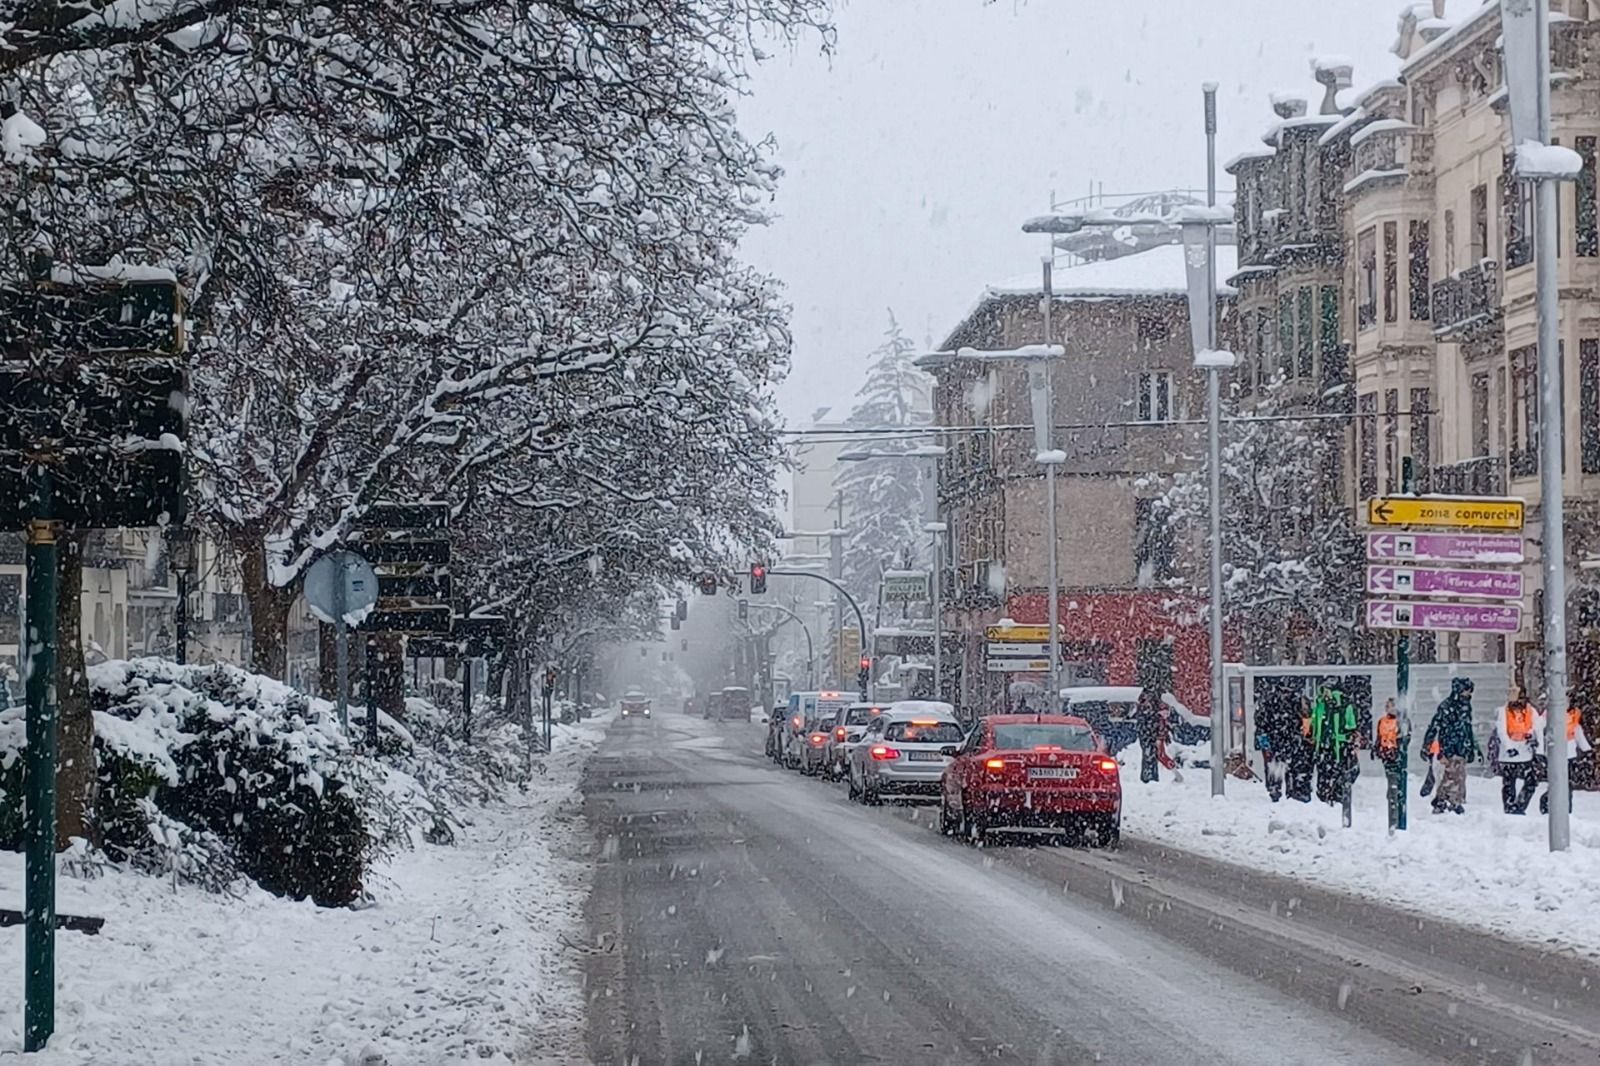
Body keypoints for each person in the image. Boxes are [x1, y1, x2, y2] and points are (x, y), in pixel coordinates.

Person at [1422, 677, 1479, 813]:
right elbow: (1435, 727)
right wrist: (1427, 745)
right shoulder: (1446, 707)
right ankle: (1445, 800)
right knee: (1452, 774)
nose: (1469, 695)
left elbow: (1468, 728)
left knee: (1458, 775)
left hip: (1461, 746)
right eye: (1466, 691)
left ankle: (1448, 800)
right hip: (1449, 745)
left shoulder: (1465, 707)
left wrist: (1471, 746)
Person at [1494, 686, 1542, 815]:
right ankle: (1509, 808)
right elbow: (1501, 731)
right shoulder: (1503, 711)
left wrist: (1532, 736)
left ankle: (1520, 806)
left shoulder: (1530, 710)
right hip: (1509, 753)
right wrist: (1508, 747)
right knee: (1509, 783)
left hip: (1525, 751)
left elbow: (1537, 726)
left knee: (1531, 781)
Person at [1539, 703, 1593, 814]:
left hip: (1570, 755)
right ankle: (1547, 803)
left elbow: (1577, 731)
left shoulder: (1573, 715)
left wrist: (1587, 750)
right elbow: (1539, 728)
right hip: (1555, 755)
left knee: (1567, 785)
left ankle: (1567, 811)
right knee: (1556, 783)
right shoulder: (1549, 713)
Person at [1311, 682, 1358, 806]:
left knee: (1332, 774)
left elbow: (1351, 727)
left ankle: (1332, 797)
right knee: (1329, 774)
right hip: (1328, 746)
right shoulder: (1321, 705)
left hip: (1334, 746)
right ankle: (1329, 797)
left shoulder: (1340, 705)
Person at [1374, 697, 1408, 825]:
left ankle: (1394, 805)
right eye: (1386, 706)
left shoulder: (1401, 721)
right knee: (1391, 779)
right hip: (1386, 756)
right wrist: (1376, 749)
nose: (1387, 708)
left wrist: (1397, 749)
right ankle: (1392, 798)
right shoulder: (1382, 721)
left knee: (1395, 781)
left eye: (1390, 706)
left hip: (1396, 756)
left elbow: (1405, 738)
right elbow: (1379, 737)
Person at [1134, 689, 1164, 783]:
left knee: (1151, 755)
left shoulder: (1151, 709)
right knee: (1148, 755)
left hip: (1150, 734)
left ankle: (1151, 776)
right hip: (1146, 734)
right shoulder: (1143, 709)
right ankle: (1148, 777)